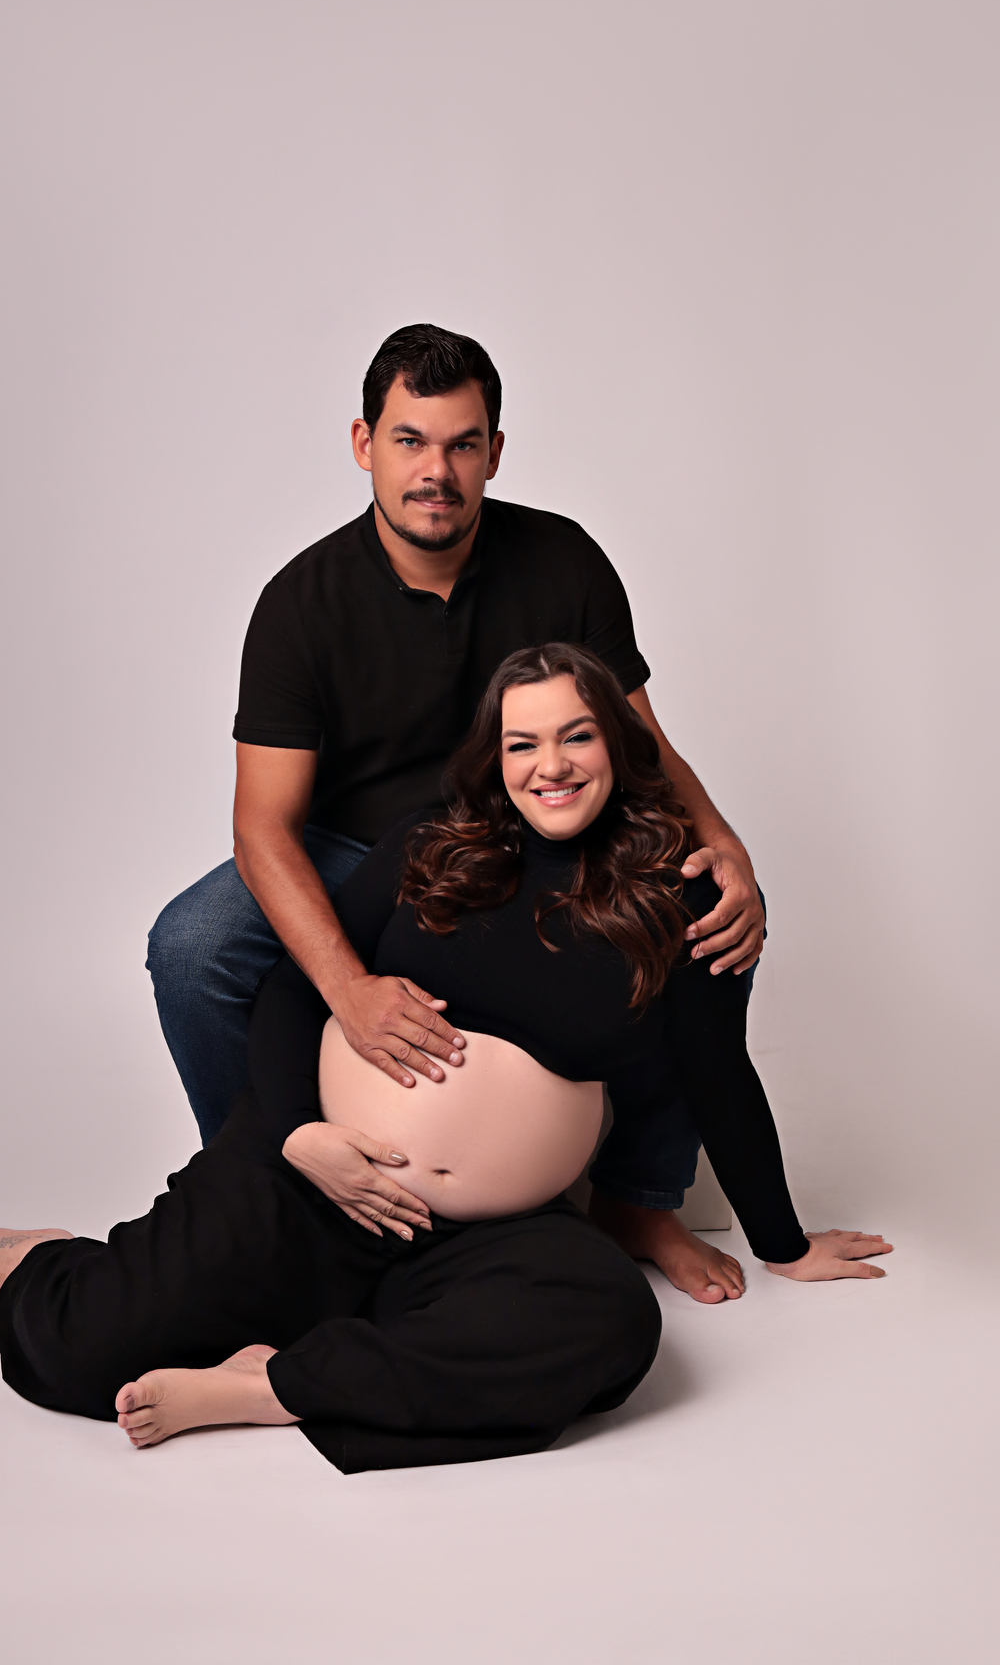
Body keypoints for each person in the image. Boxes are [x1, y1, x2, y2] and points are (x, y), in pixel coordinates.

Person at [0, 646, 890, 1475]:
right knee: (83, 1349)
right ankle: (49, 1259)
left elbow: (719, 1073)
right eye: (523, 743)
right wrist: (301, 1134)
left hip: (490, 1232)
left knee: (609, 1326)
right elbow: (295, 990)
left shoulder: (679, 898)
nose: (550, 765)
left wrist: (783, 1242)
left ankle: (272, 1384)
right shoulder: (434, 846)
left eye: (577, 735)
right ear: (496, 757)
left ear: (620, 748)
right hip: (319, 1173)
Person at [148, 323, 766, 1303]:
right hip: (355, 848)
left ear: (494, 452)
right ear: (365, 444)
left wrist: (724, 845)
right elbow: (262, 827)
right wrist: (349, 985)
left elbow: (638, 745)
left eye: (461, 444)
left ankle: (638, 1200)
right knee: (192, 947)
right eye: (410, 441)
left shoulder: (563, 560)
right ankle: (265, 1197)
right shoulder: (300, 603)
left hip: (524, 840)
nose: (435, 471)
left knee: (706, 906)